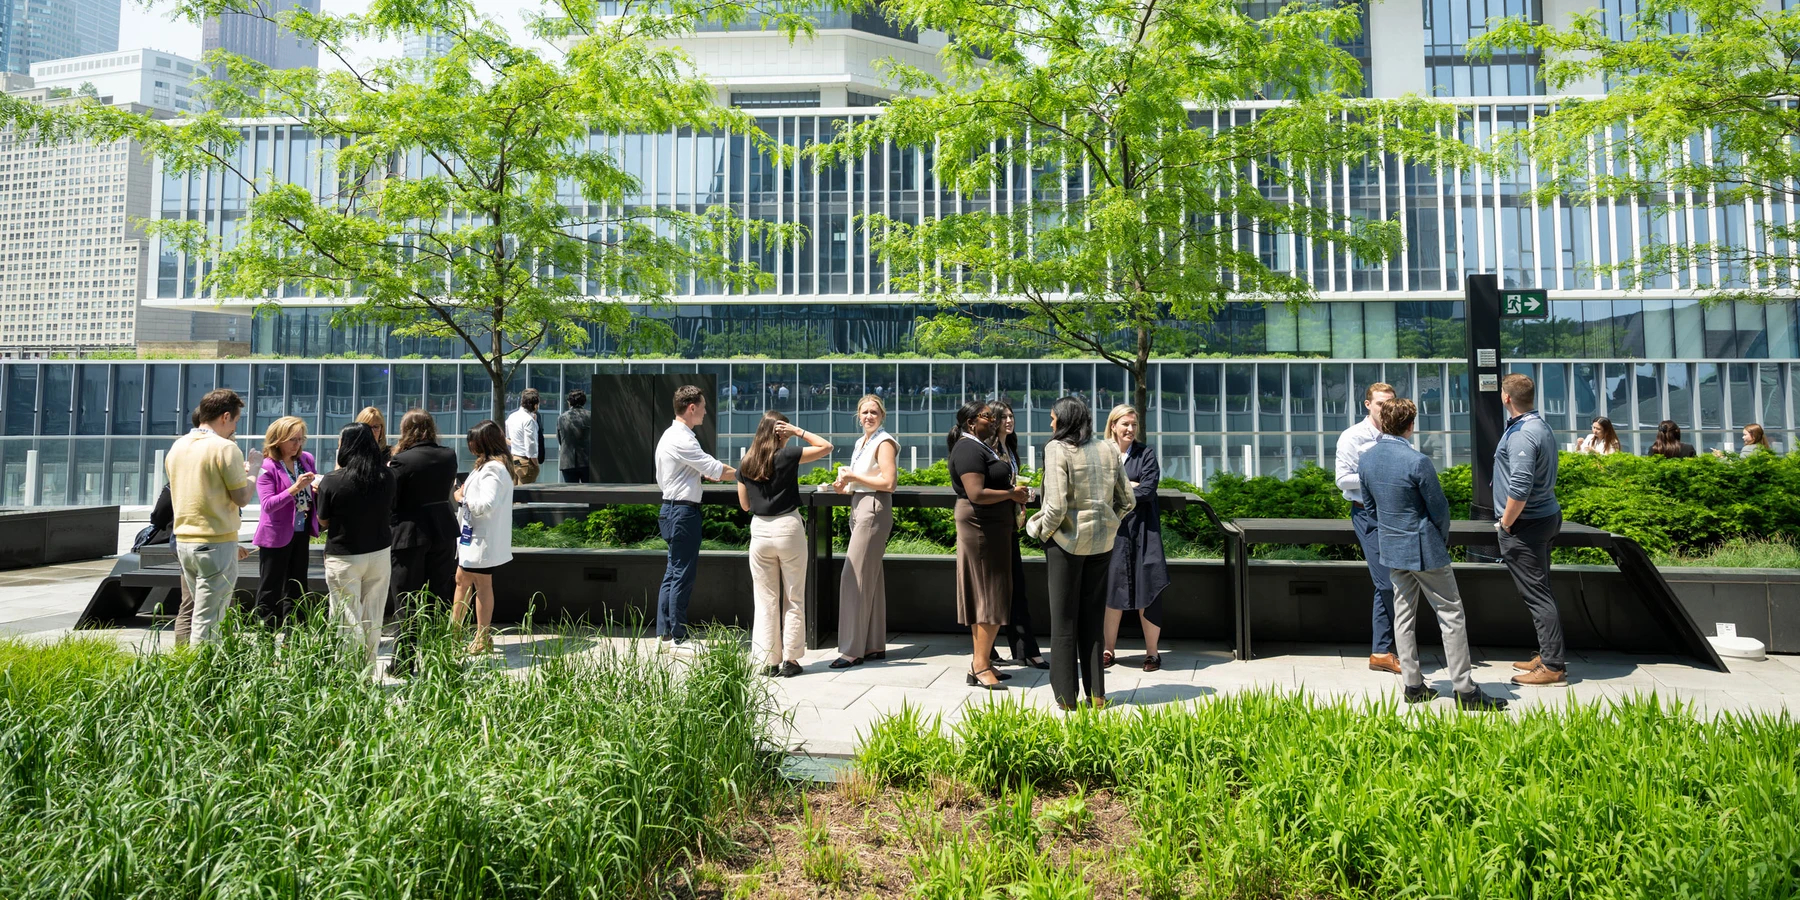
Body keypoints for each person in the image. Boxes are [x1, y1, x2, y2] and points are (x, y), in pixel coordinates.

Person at [1357, 399, 1508, 711]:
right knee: (1451, 615)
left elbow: (1370, 509)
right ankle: (1465, 690)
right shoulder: (1417, 461)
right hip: (1424, 548)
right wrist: (1439, 539)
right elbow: (1440, 509)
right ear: (1410, 426)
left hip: (1392, 549)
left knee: (1402, 616)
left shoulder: (1367, 459)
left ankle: (1413, 685)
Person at [1026, 396, 1134, 710]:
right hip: (1102, 544)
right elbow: (1128, 500)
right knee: (1092, 620)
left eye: (1052, 418)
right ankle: (1097, 695)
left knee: (1063, 622)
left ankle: (1066, 698)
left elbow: (1056, 506)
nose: (1050, 424)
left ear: (1065, 420)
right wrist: (1108, 523)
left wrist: (1040, 530)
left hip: (1066, 545)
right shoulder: (1108, 448)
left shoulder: (1056, 448)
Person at [737, 411, 834, 677]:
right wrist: (798, 432)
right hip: (788, 527)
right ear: (782, 431)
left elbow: (745, 505)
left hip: (760, 530)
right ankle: (791, 660)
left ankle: (769, 661)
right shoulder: (787, 456)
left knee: (766, 599)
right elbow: (826, 447)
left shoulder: (746, 462)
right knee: (794, 595)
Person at [165, 389, 256, 645]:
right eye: (236, 421)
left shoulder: (178, 446)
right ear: (225, 417)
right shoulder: (225, 448)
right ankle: (200, 678)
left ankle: (193, 670)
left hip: (184, 541)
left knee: (199, 614)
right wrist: (255, 469)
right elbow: (241, 498)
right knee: (209, 621)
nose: (235, 427)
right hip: (216, 542)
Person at [949, 400, 1028, 690]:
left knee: (989, 595)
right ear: (972, 423)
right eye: (987, 417)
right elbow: (977, 493)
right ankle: (981, 666)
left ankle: (981, 661)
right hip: (981, 528)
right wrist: (1011, 494)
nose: (993, 420)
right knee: (990, 595)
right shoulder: (968, 448)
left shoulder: (980, 446)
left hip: (993, 527)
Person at [1494, 373, 1568, 687]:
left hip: (1526, 525)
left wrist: (1506, 523)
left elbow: (1520, 487)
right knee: (1542, 591)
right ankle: (1548, 653)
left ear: (1506, 397)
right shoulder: (1540, 425)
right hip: (1545, 517)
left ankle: (1552, 667)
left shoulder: (1523, 434)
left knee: (1538, 596)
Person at [655, 385, 737, 647]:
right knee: (682, 575)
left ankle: (665, 633)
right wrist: (749, 472)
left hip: (670, 509)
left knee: (673, 572)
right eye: (702, 408)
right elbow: (715, 469)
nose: (705, 413)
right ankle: (678, 636)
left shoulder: (669, 435)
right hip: (682, 512)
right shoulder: (683, 438)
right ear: (691, 408)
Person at [315, 423, 396, 672]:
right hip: (380, 552)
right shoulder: (387, 476)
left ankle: (349, 674)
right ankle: (368, 670)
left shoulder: (332, 481)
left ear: (346, 446)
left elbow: (323, 520)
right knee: (373, 613)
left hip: (345, 555)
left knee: (346, 615)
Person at [1334, 382, 1401, 675]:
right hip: (1367, 514)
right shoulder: (1353, 437)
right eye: (1379, 404)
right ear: (1367, 405)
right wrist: (1377, 477)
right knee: (1386, 582)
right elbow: (1342, 479)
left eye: (1389, 403)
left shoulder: (1398, 432)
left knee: (1401, 581)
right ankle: (1381, 651)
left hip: (1398, 514)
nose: (1385, 408)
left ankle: (1390, 649)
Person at [386, 409, 459, 677]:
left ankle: (403, 662)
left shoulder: (400, 462)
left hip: (409, 533)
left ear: (406, 430)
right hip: (443, 529)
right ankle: (438, 659)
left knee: (406, 599)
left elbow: (392, 501)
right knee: (440, 597)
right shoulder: (448, 455)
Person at [830, 394, 898, 668]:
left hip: (873, 507)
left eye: (874, 412)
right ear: (858, 416)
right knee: (870, 576)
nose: (868, 416)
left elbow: (889, 482)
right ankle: (872, 645)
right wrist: (845, 486)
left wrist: (854, 478)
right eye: (864, 412)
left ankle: (851, 650)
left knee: (853, 576)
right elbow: (863, 480)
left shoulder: (884, 441)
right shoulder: (862, 442)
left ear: (882, 415)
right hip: (860, 504)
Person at [1102, 404, 1170, 672]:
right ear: (1113, 426)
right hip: (1113, 533)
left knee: (1149, 589)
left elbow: (1148, 491)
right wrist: (1130, 485)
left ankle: (1152, 654)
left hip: (1144, 531)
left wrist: (1121, 488)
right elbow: (1097, 490)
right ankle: (1108, 650)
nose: (1130, 429)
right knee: (1112, 589)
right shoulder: (1102, 454)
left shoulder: (1146, 455)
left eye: (1133, 425)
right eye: (1125, 424)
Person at [450, 419, 515, 654]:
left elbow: (487, 504)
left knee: (477, 583)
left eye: (473, 441)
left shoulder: (493, 469)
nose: (470, 446)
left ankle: (475, 636)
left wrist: (461, 498)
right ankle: (465, 635)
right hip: (475, 537)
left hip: (481, 539)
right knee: (466, 581)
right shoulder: (490, 466)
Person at [992, 400, 1047, 670]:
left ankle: (1025, 649)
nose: (1009, 421)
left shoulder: (1010, 448)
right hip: (992, 526)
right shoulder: (988, 448)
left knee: (1017, 587)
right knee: (993, 589)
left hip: (1010, 524)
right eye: (1003, 417)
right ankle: (987, 651)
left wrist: (1026, 494)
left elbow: (1012, 482)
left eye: (1011, 416)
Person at [252, 415, 318, 629]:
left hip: (301, 530)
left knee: (297, 586)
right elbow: (268, 504)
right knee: (270, 588)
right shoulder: (267, 466)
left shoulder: (306, 459)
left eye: (301, 439)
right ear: (277, 440)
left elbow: (312, 487)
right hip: (275, 536)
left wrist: (316, 488)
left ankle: (295, 638)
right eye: (292, 440)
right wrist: (295, 488)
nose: (297, 445)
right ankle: (265, 640)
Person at [505, 387, 545, 484]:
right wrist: (535, 463)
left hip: (514, 458)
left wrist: (516, 445)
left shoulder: (512, 416)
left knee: (516, 493)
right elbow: (530, 444)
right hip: (526, 460)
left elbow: (507, 437)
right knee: (525, 494)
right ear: (535, 405)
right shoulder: (528, 420)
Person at [558, 389, 593, 483]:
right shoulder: (591, 416)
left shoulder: (562, 418)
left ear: (569, 402)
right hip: (587, 461)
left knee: (570, 494)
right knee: (589, 493)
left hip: (567, 461)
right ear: (584, 401)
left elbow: (560, 440)